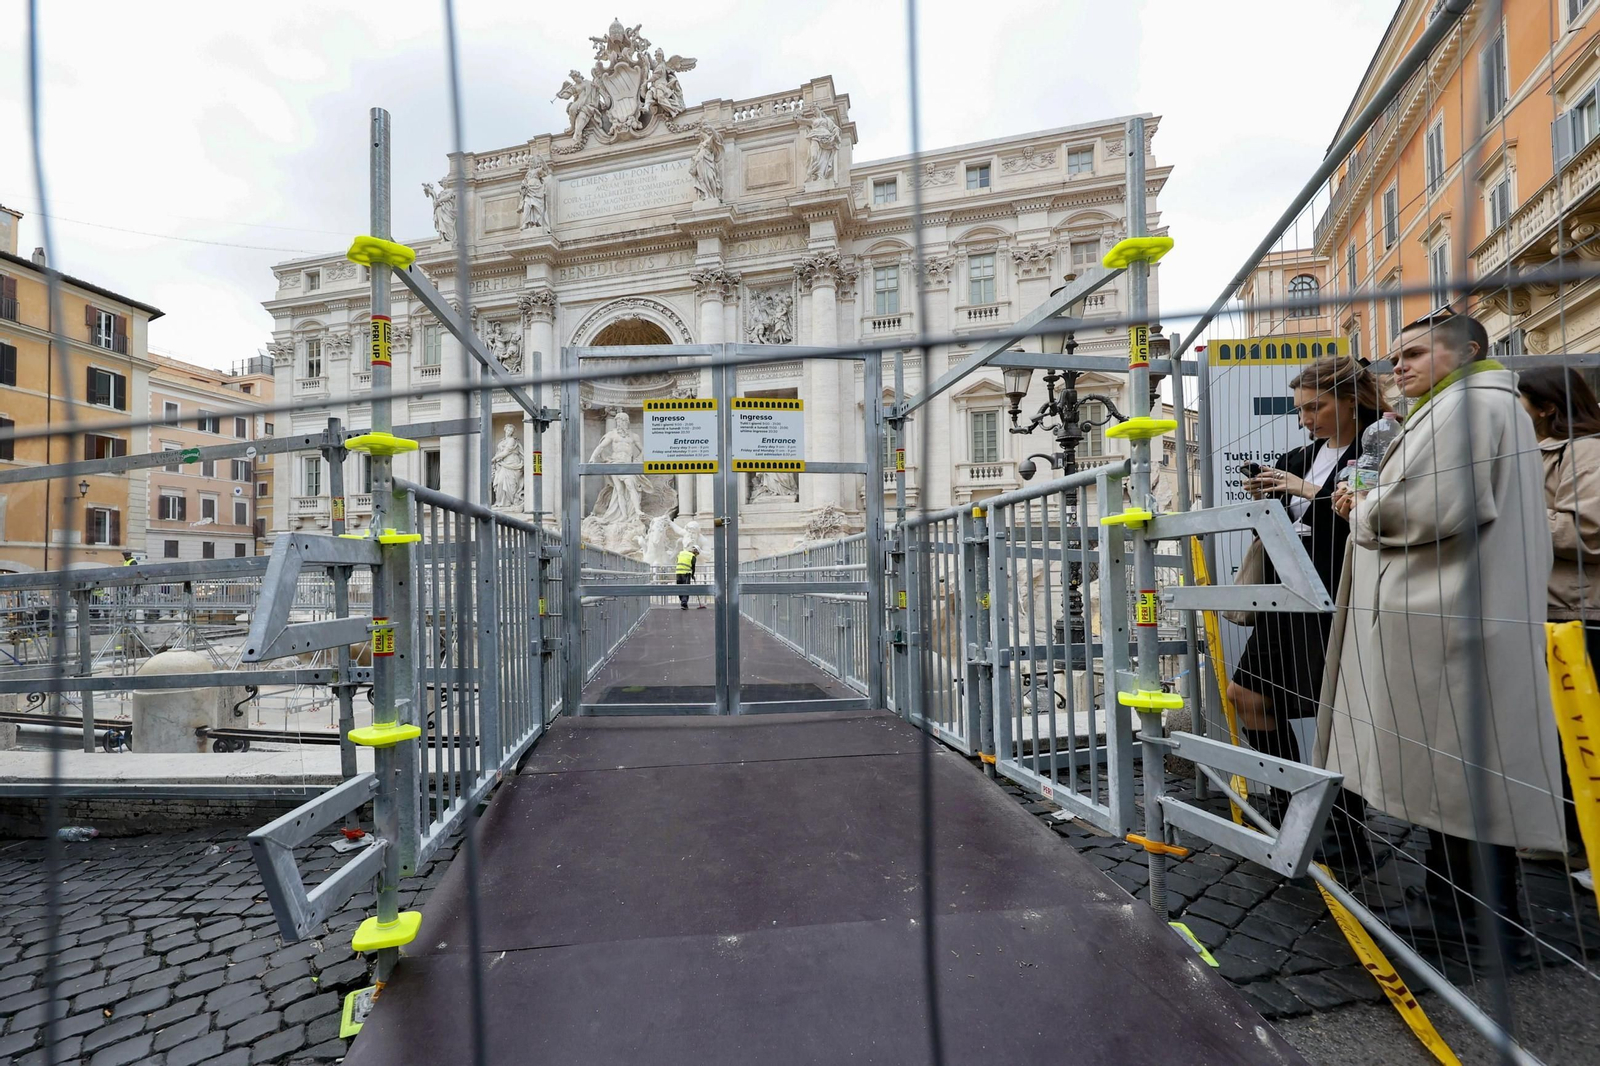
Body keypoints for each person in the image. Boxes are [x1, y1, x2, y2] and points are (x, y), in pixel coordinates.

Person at [1318, 311, 1564, 961]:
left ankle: (1477, 923)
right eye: (1395, 356)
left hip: (1455, 619)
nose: (1398, 365)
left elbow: (1432, 508)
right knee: (1454, 775)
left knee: (1461, 774)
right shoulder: (1468, 406)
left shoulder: (1468, 409)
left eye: (1416, 354)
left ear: (1470, 351)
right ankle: (1453, 908)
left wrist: (1364, 510)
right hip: (1458, 612)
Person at [1230, 355, 1385, 873]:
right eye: (1301, 409)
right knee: (1247, 697)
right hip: (1286, 598)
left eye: (1315, 406)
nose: (1306, 418)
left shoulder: (1380, 445)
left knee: (1332, 718)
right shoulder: (1299, 454)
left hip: (1341, 598)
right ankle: (1297, 803)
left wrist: (1302, 492)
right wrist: (1264, 502)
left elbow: (1373, 517)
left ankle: (1343, 835)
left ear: (1350, 400)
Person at [1517, 365, 1600, 864]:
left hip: (1577, 612)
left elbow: (1587, 532)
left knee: (1578, 727)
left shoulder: (1586, 452)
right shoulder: (1538, 451)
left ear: (1547, 407)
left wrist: (1507, 511)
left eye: (1521, 400)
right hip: (1544, 608)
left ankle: (1581, 841)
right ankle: (1567, 835)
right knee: (1550, 727)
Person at [676, 546, 699, 610]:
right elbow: (693, 568)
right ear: (695, 552)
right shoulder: (692, 556)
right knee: (686, 588)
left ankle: (682, 602)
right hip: (686, 573)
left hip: (678, 572)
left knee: (679, 588)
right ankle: (684, 603)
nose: (696, 555)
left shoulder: (681, 553)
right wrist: (692, 575)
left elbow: (678, 560)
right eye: (697, 554)